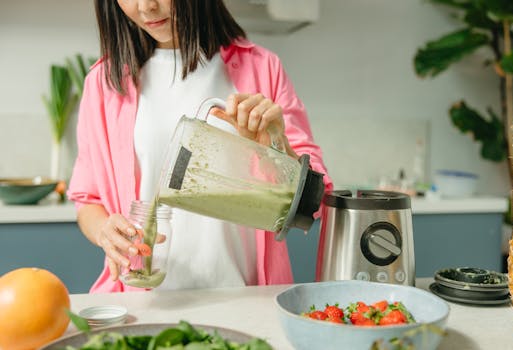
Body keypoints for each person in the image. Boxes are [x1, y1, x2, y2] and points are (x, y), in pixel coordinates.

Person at [67, 0, 333, 293]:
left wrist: (274, 150)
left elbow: (314, 203)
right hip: (142, 302)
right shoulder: (104, 82)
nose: (146, 7)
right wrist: (105, 231)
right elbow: (87, 200)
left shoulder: (262, 68)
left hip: (245, 297)